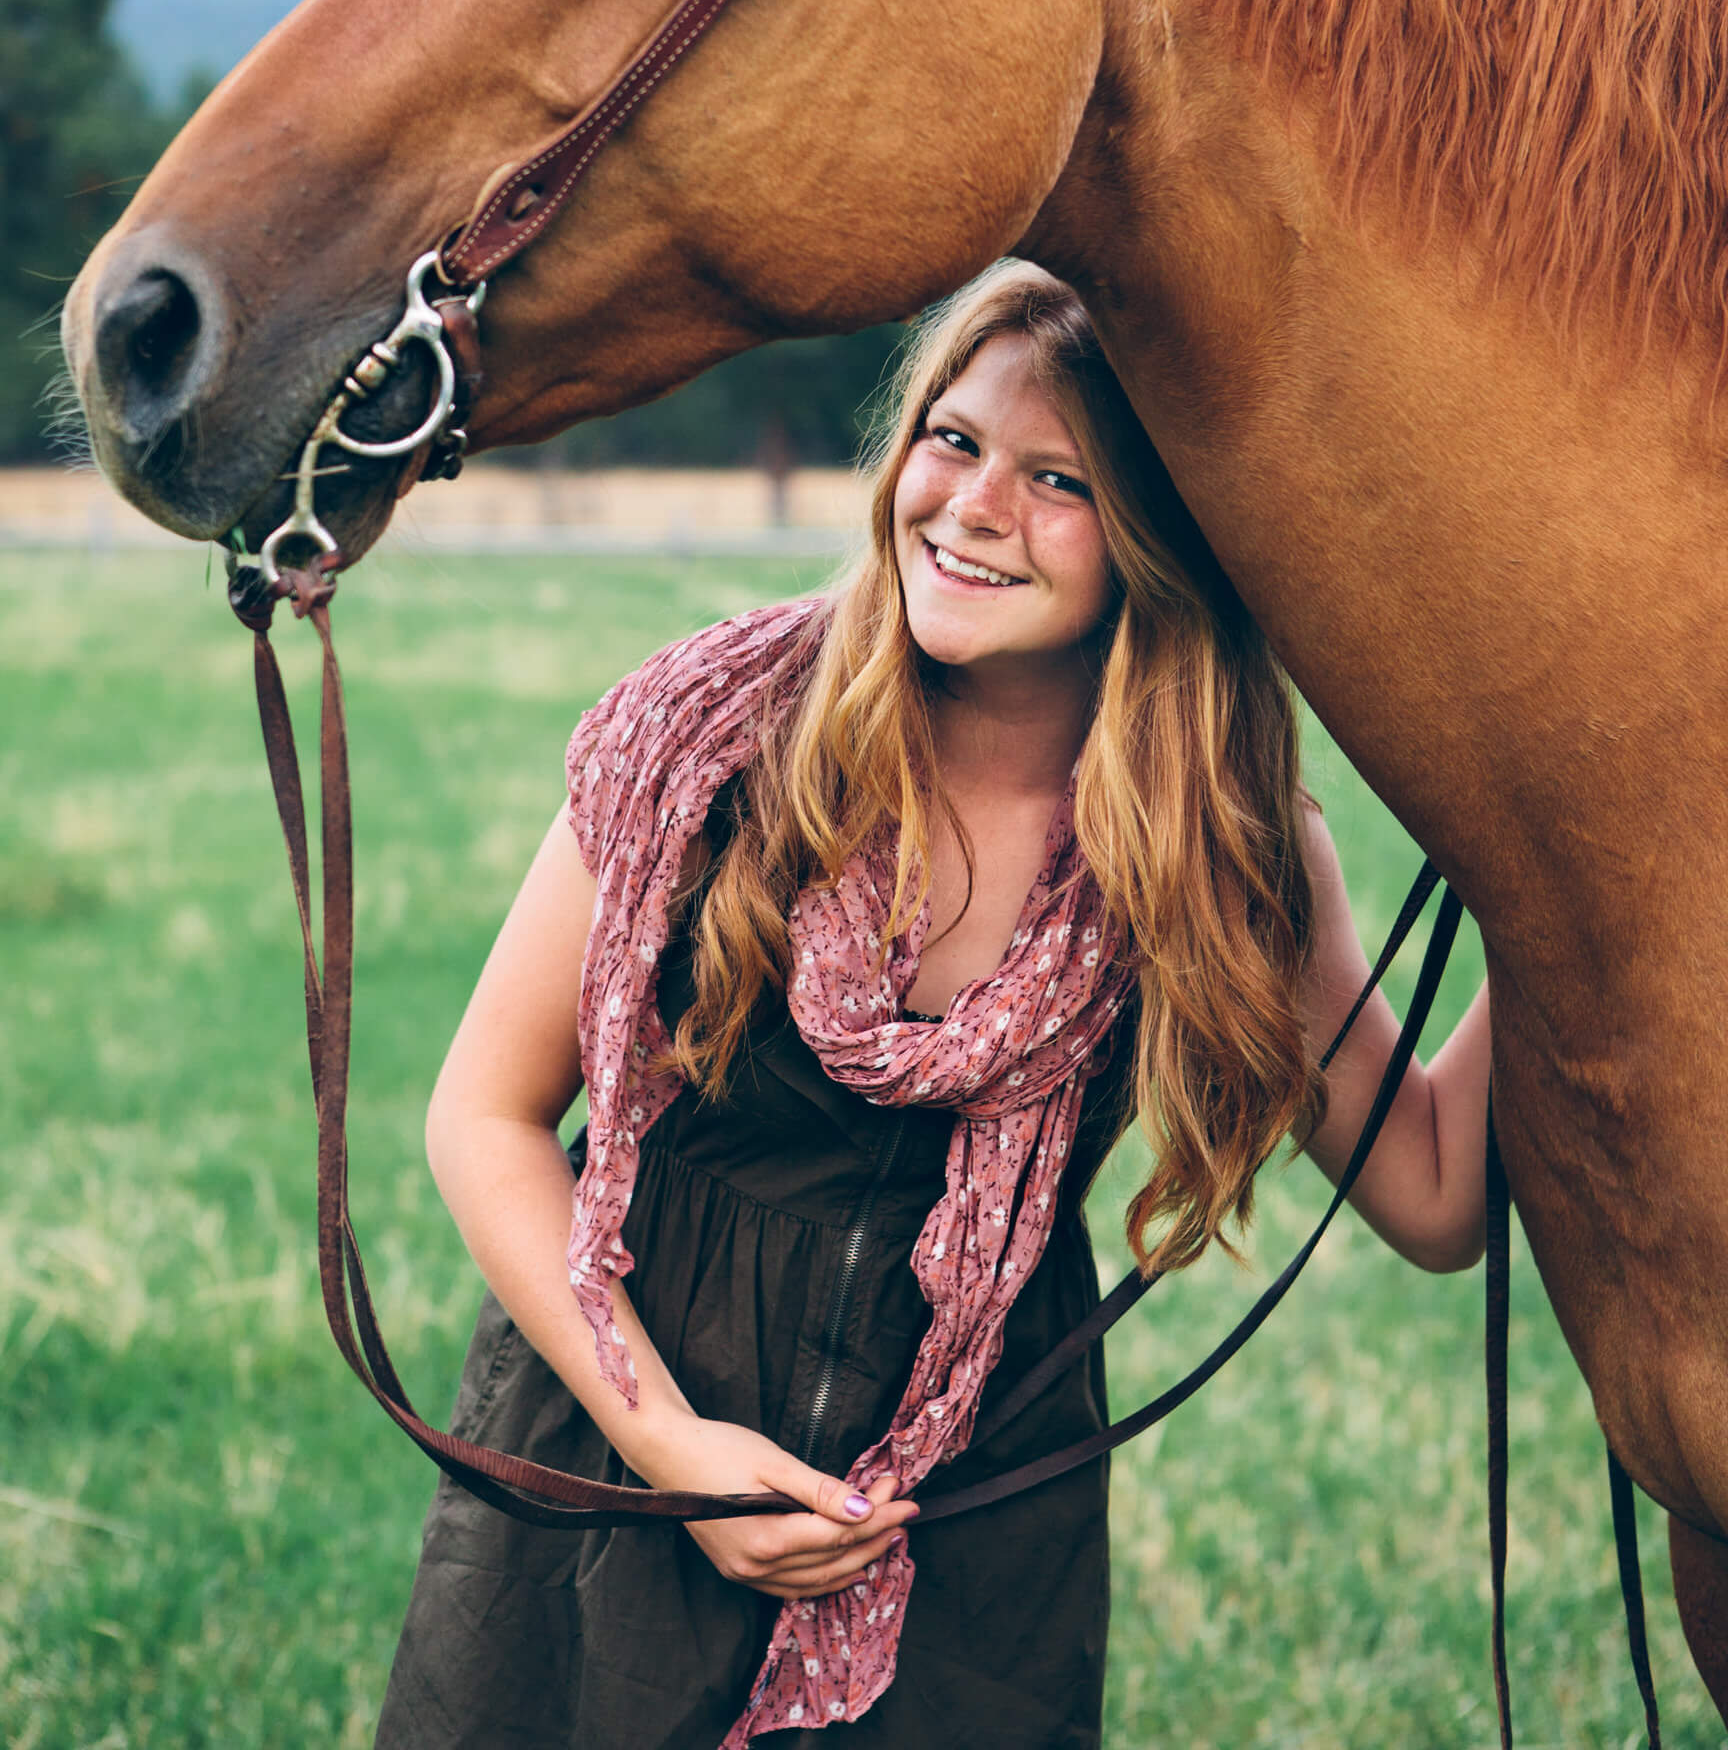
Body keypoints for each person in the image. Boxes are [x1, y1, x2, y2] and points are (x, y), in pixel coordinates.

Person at [375, 263, 1491, 1750]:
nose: (971, 507)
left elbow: (1430, 1191)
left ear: (1162, 535)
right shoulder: (714, 733)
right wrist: (669, 1448)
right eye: (953, 441)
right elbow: (485, 1116)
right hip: (626, 1430)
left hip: (967, 1509)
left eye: (1058, 481)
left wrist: (1565, 886)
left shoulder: (1212, 837)